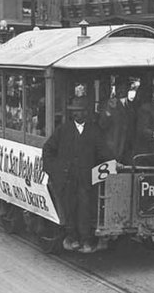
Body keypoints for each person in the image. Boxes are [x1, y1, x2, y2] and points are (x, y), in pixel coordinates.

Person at [42, 96, 113, 253]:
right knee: (69, 208)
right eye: (74, 112)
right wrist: (54, 170)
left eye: (79, 111)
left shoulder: (94, 131)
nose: (76, 114)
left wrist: (114, 163)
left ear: (86, 113)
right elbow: (48, 149)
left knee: (84, 209)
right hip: (67, 179)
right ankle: (72, 237)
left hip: (86, 179)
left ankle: (86, 240)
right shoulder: (63, 130)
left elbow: (104, 153)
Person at [98, 81, 138, 164]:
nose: (121, 90)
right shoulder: (109, 104)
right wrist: (109, 110)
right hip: (113, 150)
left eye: (123, 87)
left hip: (129, 152)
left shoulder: (132, 106)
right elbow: (102, 124)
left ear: (128, 88)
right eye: (119, 87)